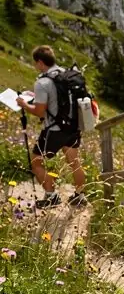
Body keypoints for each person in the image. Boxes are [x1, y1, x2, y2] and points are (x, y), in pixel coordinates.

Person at [17, 46, 87, 208]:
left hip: (55, 130)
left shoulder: (42, 82)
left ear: (40, 62)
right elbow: (58, 98)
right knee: (74, 162)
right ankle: (80, 195)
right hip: (73, 127)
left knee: (35, 162)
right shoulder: (65, 74)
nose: (36, 66)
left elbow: (40, 112)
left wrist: (23, 104)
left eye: (36, 63)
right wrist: (36, 97)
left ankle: (51, 197)